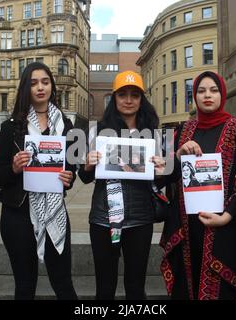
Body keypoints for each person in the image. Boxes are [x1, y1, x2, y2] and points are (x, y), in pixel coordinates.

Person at [160, 71, 236, 300]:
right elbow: (166, 178)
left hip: (225, 226)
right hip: (188, 228)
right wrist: (178, 154)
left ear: (222, 94)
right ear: (194, 96)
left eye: (214, 90)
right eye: (201, 91)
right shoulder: (183, 131)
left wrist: (226, 216)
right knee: (188, 284)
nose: (208, 95)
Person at [0, 62, 77, 300]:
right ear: (25, 88)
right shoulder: (10, 128)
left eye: (45, 82)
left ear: (52, 87)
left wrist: (69, 178)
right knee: (25, 286)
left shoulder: (66, 126)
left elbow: (71, 171)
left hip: (55, 212)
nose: (40, 87)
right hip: (17, 215)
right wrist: (14, 168)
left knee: (64, 284)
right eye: (34, 82)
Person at [78, 70, 166, 300]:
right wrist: (87, 165)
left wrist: (161, 170)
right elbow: (84, 177)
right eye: (123, 94)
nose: (128, 100)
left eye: (134, 95)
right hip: (103, 218)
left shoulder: (154, 135)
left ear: (141, 99)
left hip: (140, 219)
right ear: (114, 98)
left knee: (136, 288)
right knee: (104, 288)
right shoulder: (96, 132)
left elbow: (164, 178)